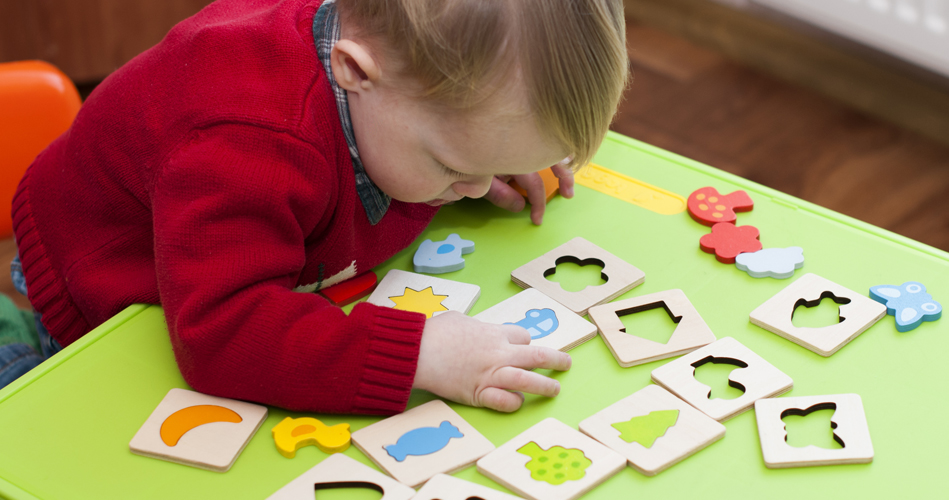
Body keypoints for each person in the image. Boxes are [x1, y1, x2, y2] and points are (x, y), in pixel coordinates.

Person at [5, 0, 628, 414]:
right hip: (102, 280)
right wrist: (418, 354)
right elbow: (222, 335)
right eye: (455, 168)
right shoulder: (245, 138)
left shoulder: (395, 71)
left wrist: (489, 151)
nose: (475, 187)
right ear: (355, 71)